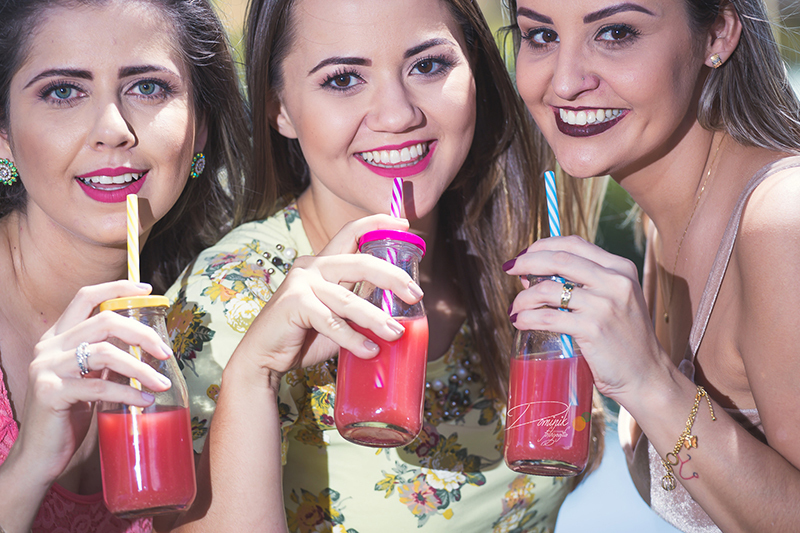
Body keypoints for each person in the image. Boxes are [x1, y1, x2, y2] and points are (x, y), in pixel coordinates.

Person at [165, 0, 607, 531]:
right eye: (344, 78)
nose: (397, 115)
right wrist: (254, 377)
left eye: (427, 66)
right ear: (279, 106)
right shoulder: (230, 299)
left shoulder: (520, 252)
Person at [503, 0, 800, 531]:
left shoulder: (781, 223)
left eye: (616, 32)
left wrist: (649, 381)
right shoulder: (658, 222)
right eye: (541, 36)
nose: (565, 81)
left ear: (718, 34)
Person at [0, 0, 249, 531]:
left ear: (200, 127)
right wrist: (26, 469)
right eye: (63, 91)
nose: (113, 129)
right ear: (2, 133)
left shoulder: (212, 309)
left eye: (147, 87)